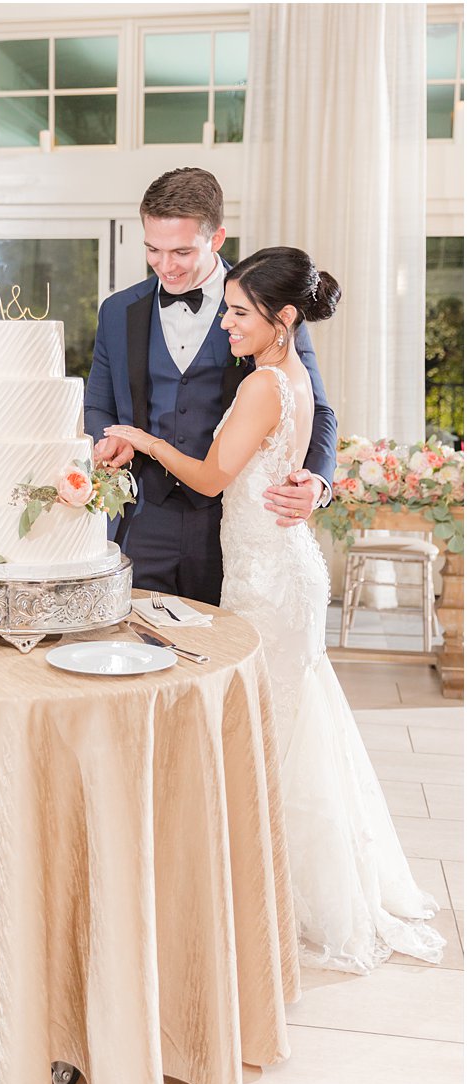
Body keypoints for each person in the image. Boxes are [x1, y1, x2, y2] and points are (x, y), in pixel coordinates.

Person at [106, 247, 444, 973]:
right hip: (276, 565)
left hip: (263, 573)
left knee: (272, 722)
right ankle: (286, 878)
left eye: (239, 313)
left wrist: (141, 440)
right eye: (225, 309)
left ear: (283, 319)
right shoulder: (268, 369)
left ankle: (271, 886)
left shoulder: (268, 382)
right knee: (294, 718)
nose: (228, 322)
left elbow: (209, 473)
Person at [85, 168, 338, 605]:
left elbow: (315, 408)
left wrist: (318, 482)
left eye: (181, 251)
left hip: (231, 522)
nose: (166, 266)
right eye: (153, 250)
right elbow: (99, 405)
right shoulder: (117, 311)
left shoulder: (269, 306)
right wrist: (108, 443)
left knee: (227, 653)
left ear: (216, 238)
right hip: (142, 517)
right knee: (139, 650)